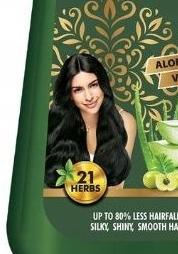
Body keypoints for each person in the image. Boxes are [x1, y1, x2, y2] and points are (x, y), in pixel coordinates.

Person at [44, 53, 136, 188]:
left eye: (93, 85)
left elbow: (118, 185)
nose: (89, 97)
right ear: (69, 95)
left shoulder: (125, 121)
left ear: (103, 84)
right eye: (78, 90)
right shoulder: (53, 122)